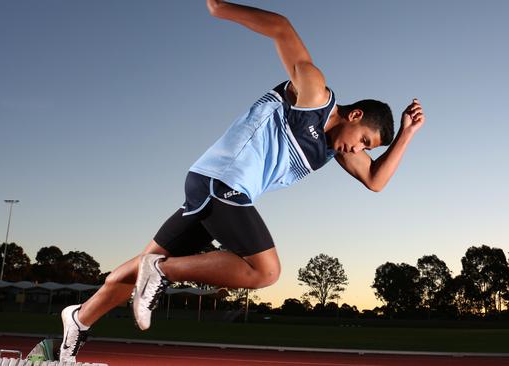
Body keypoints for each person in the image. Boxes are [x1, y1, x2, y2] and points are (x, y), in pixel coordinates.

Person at [59, 0, 425, 362]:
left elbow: (376, 181)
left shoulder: (333, 151)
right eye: (364, 139)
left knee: (136, 268)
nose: (359, 148)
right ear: (355, 114)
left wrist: (407, 134)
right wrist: (220, 8)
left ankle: (80, 318)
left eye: (367, 147)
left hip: (214, 193)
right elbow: (281, 26)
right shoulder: (314, 94)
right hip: (223, 181)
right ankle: (162, 272)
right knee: (266, 271)